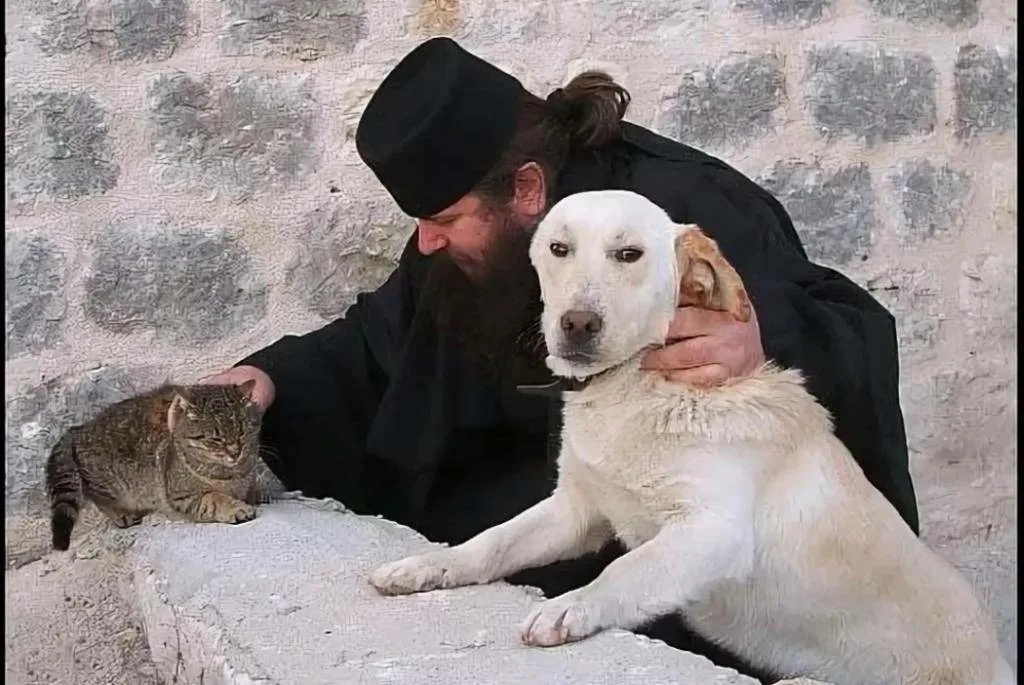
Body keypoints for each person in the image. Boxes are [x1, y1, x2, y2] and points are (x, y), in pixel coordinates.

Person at [203, 37, 919, 679]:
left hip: (684, 585)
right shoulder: (462, 245)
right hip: (544, 539)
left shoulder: (684, 205)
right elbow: (376, 340)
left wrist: (762, 343)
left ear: (525, 189)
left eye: (444, 219)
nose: (426, 242)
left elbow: (851, 328)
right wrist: (270, 375)